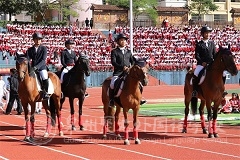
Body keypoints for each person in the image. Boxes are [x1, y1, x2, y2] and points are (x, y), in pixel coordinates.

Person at [109, 33, 146, 107]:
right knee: (112, 84)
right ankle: (112, 100)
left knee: (140, 84)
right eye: (121, 40)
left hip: (128, 73)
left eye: (124, 40)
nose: (123, 42)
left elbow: (132, 61)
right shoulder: (114, 51)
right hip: (118, 73)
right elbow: (113, 62)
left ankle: (139, 98)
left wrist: (131, 67)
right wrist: (122, 67)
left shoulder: (129, 52)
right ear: (118, 41)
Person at [192, 26, 216, 97]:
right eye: (206, 33)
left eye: (209, 33)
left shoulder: (212, 43)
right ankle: (195, 91)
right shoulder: (199, 44)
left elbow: (214, 54)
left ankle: (222, 90)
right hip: (202, 64)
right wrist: (202, 62)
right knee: (196, 73)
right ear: (202, 34)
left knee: (223, 73)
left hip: (211, 64)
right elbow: (197, 55)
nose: (208, 34)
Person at [26, 32, 50, 100]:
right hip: (32, 68)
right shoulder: (29, 49)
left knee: (44, 77)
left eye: (39, 39)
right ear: (33, 40)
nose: (38, 40)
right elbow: (28, 59)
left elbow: (43, 60)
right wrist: (30, 67)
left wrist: (36, 67)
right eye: (36, 39)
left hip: (41, 67)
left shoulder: (44, 48)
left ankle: (45, 92)